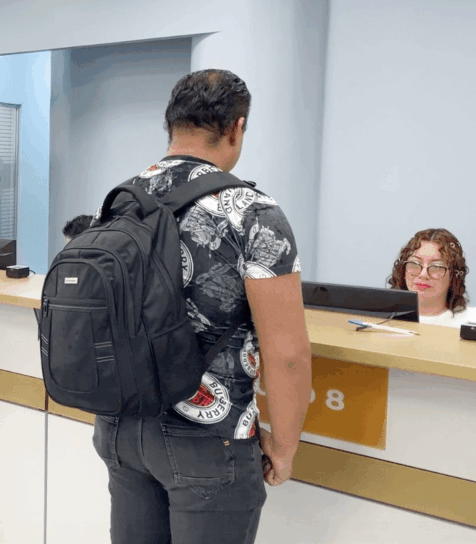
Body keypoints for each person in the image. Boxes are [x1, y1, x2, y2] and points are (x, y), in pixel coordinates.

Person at [92, 70, 312, 544]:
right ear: (237, 127)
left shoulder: (120, 201)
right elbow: (288, 353)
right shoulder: (253, 212)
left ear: (171, 123)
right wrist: (284, 448)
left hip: (121, 426)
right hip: (209, 441)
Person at [387, 228, 476, 328]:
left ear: (453, 275)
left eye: (436, 266)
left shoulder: (475, 321)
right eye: (415, 263)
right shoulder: (382, 318)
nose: (423, 274)